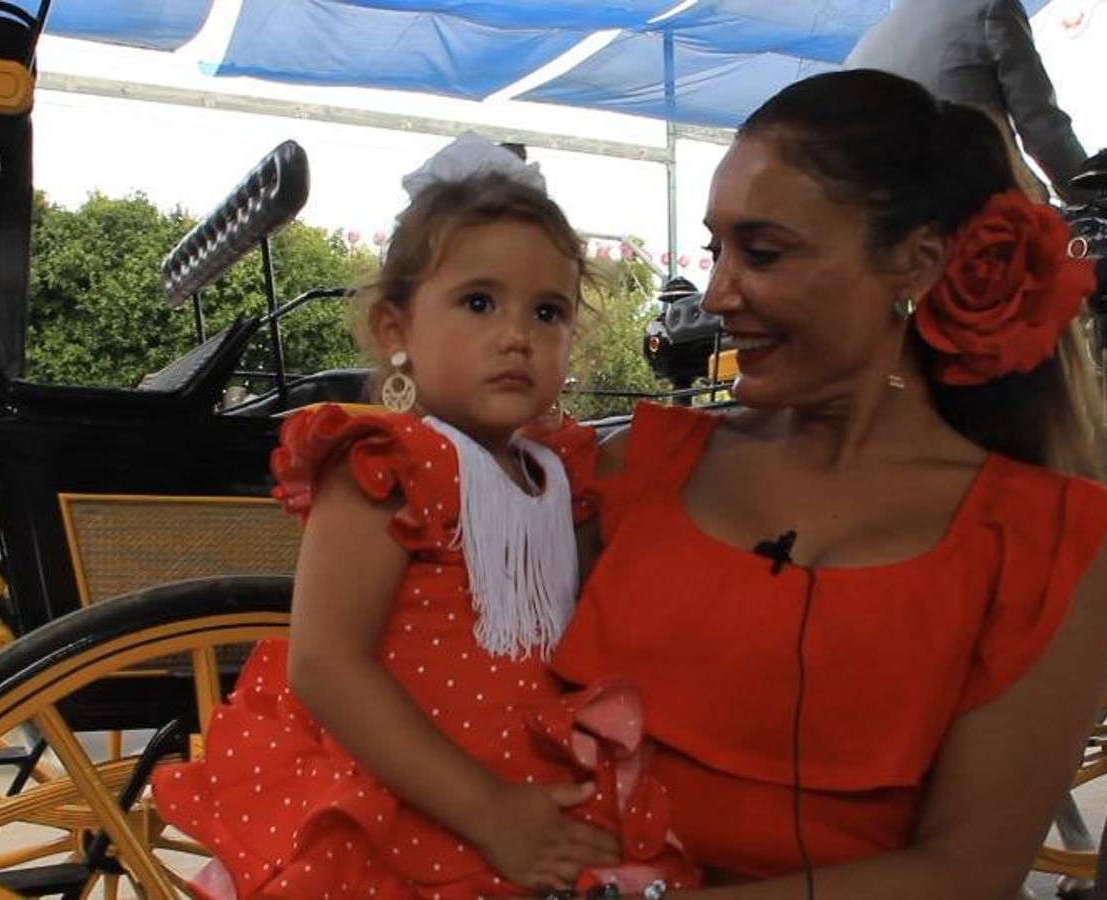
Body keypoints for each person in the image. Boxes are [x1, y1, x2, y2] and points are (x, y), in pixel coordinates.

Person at [552, 70, 1107, 897]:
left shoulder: (1047, 546)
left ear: (918, 265)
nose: (717, 295)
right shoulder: (624, 470)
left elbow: (967, 872)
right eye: (717, 249)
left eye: (763, 252)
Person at [152, 133, 698, 899]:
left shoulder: (556, 473)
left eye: (548, 312)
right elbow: (325, 664)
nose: (516, 335)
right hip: (407, 807)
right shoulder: (389, 463)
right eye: (478, 302)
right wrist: (491, 813)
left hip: (523, 799)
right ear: (395, 331)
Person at [845, 0, 1093, 205]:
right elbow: (1043, 130)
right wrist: (1094, 196)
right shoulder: (989, 7)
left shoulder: (859, 54)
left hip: (896, 235)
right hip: (980, 215)